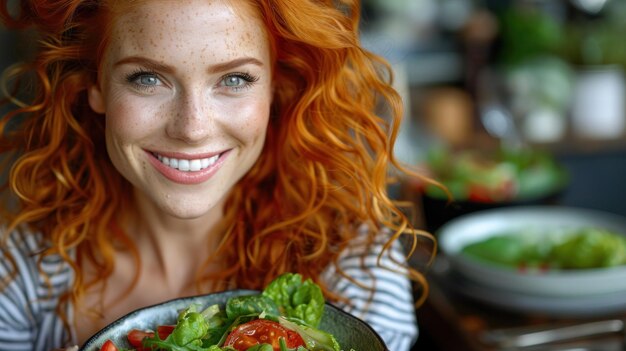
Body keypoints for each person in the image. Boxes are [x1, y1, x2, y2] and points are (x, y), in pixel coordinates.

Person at [0, 0, 433, 350]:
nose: (192, 128)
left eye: (235, 78)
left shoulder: (356, 263)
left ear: (275, 88)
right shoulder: (21, 270)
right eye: (147, 78)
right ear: (95, 86)